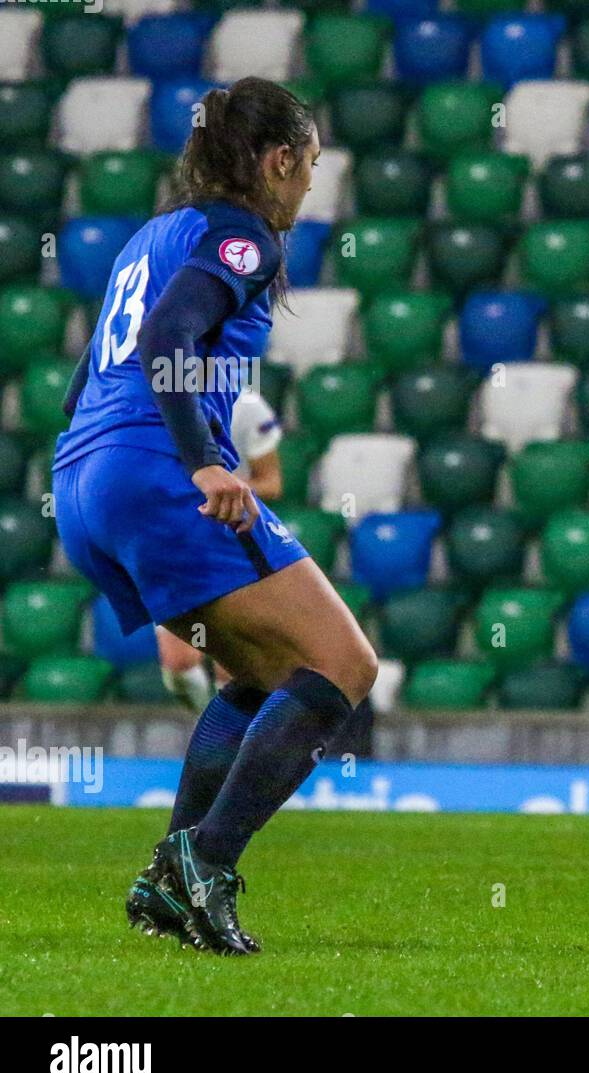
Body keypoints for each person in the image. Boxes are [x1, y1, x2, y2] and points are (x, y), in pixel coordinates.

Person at [52, 78, 378, 955]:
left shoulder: (152, 235)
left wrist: (110, 469)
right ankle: (206, 866)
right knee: (346, 664)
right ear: (277, 160)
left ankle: (169, 878)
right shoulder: (242, 236)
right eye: (308, 165)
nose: (309, 184)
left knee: (261, 671)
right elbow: (167, 341)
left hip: (84, 479)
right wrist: (200, 458)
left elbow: (91, 376)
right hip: (157, 471)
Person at [155, 386, 284, 711]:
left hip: (231, 545)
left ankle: (226, 747)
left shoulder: (247, 406)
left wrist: (223, 492)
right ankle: (208, 727)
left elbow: (272, 482)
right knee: (178, 666)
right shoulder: (150, 402)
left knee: (235, 668)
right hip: (174, 546)